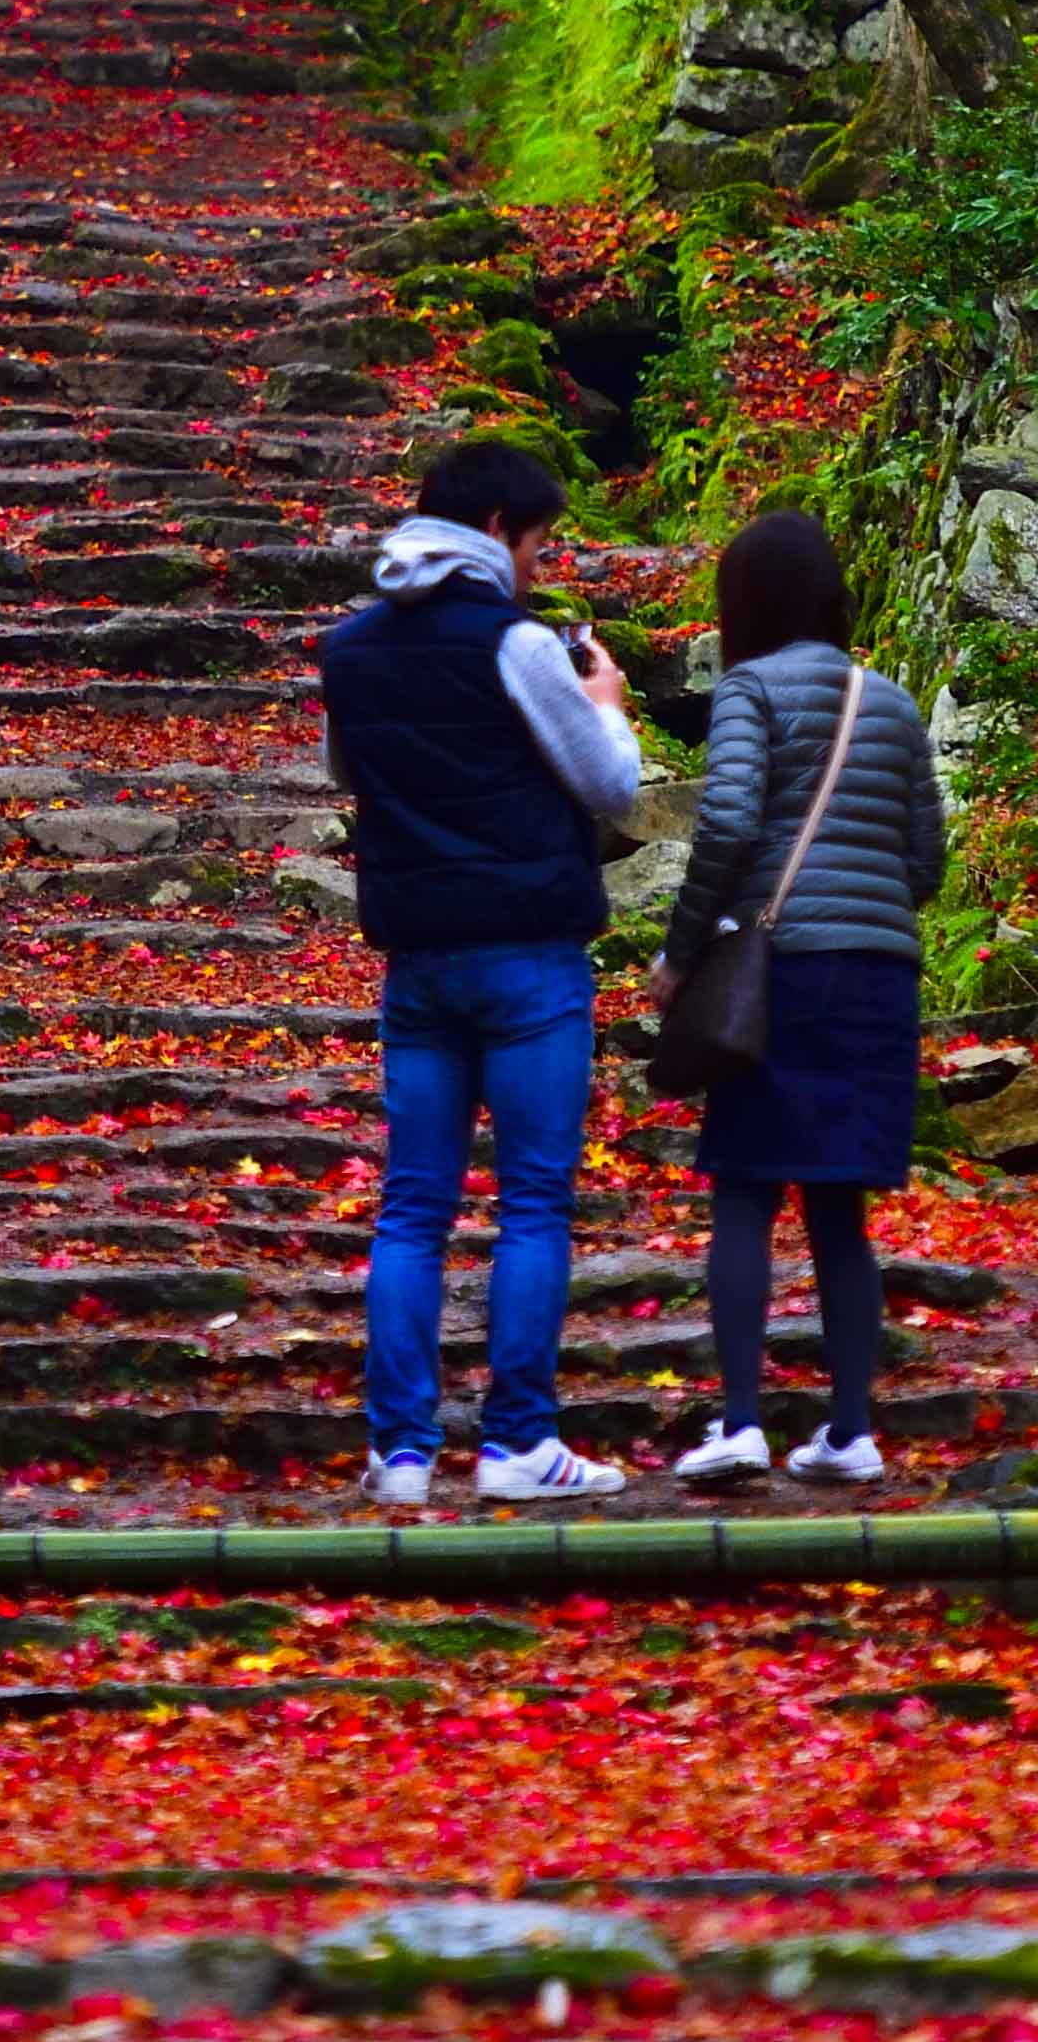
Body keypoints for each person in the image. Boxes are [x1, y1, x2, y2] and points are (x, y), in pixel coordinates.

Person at [314, 429, 652, 1506]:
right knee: (535, 1202)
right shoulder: (513, 642)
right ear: (498, 529)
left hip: (416, 953)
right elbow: (611, 786)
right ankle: (517, 1440)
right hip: (527, 950)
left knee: (412, 1205)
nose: (544, 565)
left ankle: (401, 1451)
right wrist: (607, 703)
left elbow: (345, 768)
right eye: (542, 544)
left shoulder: (350, 647)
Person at [665, 502, 949, 1486]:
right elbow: (926, 863)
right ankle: (852, 1429)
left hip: (779, 967)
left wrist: (681, 947)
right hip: (878, 970)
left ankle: (740, 1419)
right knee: (841, 1204)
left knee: (745, 1186)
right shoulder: (896, 701)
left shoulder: (748, 688)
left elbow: (732, 817)